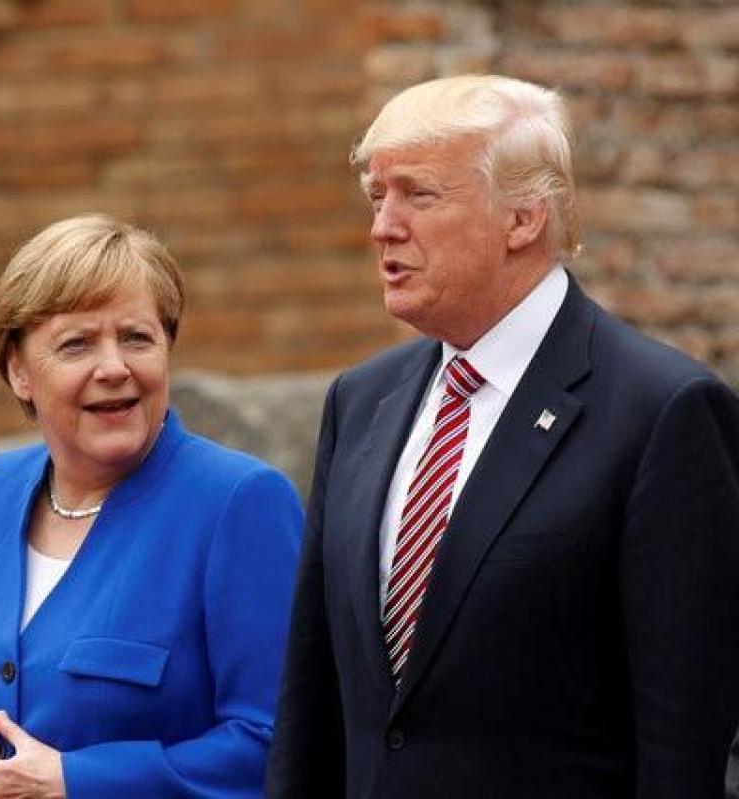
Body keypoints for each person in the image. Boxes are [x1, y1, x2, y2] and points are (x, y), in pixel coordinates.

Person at [266, 74, 739, 797]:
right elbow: (312, 699)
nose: (382, 227)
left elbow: (686, 738)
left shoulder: (662, 411)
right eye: (377, 196)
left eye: (419, 195)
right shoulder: (361, 402)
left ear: (524, 217)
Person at [0, 213, 303, 798]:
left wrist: (73, 781)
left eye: (137, 337)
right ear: (19, 371)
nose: (114, 368)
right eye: (77, 343)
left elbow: (277, 745)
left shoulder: (238, 503)